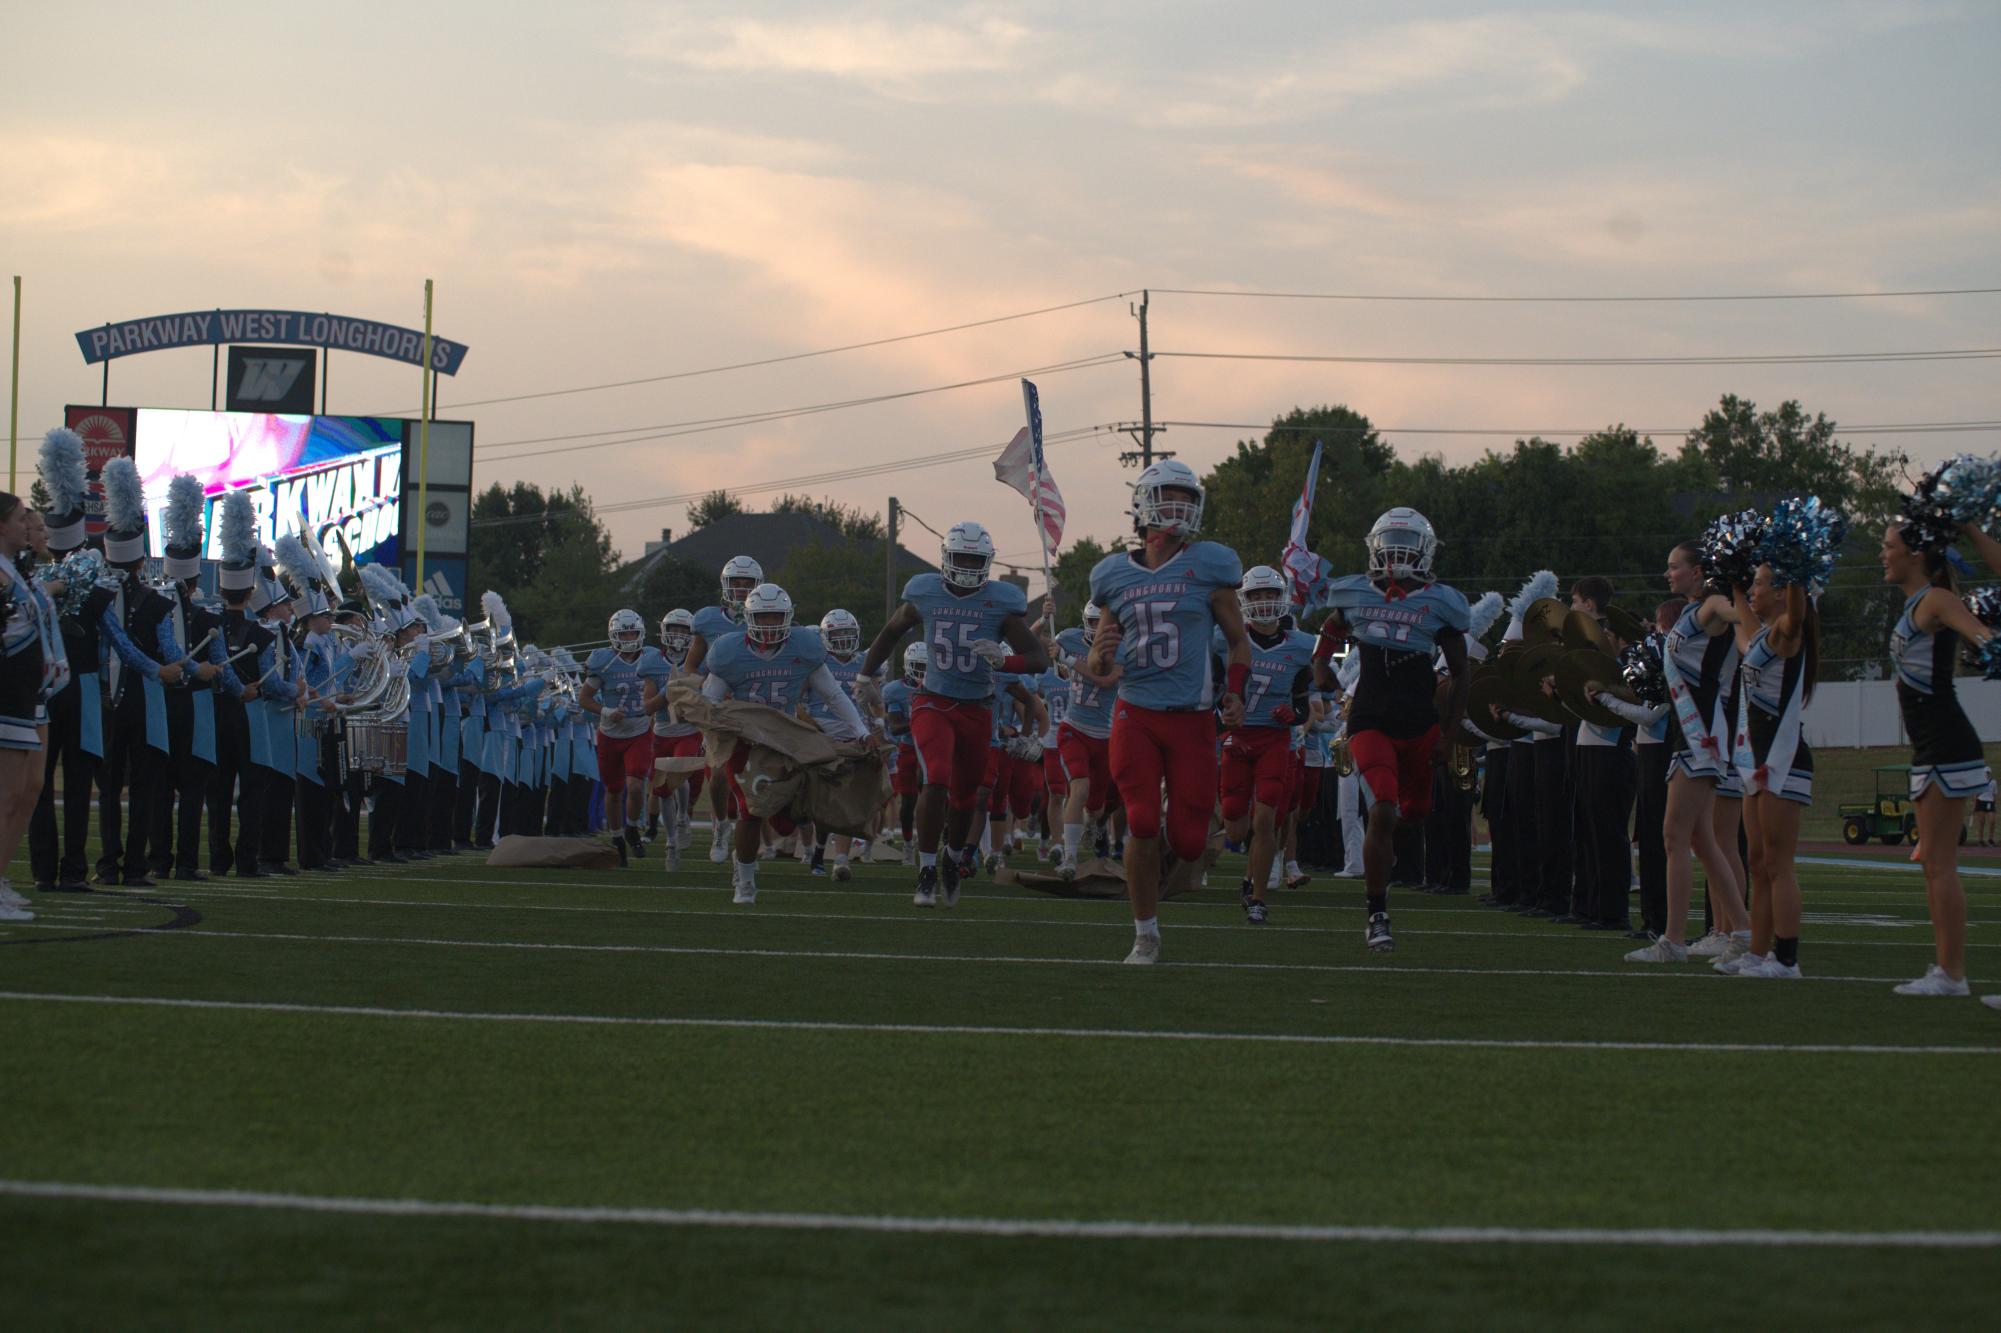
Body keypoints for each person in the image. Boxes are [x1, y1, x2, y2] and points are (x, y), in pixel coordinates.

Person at [1088, 460, 1248, 963]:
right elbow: (1098, 657)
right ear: (1144, 504)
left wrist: (1237, 691)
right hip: (1136, 711)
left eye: (1186, 497)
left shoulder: (1210, 565)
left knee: (1187, 837)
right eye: (1169, 496)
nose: (1179, 507)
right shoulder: (1113, 573)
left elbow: (1240, 642)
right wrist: (1101, 653)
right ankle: (1145, 933)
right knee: (1139, 821)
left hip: (1194, 719)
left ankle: (1164, 856)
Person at [861, 520, 1046, 909]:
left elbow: (1038, 659)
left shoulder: (1001, 602)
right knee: (938, 778)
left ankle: (952, 856)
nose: (965, 565)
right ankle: (926, 867)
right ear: (946, 557)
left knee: (964, 798)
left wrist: (1005, 660)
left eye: (973, 559)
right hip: (932, 700)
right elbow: (892, 631)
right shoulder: (924, 592)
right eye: (960, 557)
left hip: (978, 709)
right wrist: (865, 674)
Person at [1311, 508, 1471, 953]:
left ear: (1425, 551)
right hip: (1370, 718)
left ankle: (1383, 854)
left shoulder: (1442, 601)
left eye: (1407, 542)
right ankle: (1377, 912)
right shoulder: (1355, 591)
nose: (1398, 551)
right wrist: (1320, 662)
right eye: (1391, 541)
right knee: (1381, 807)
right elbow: (1332, 626)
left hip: (1419, 722)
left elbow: (1461, 672)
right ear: (1376, 547)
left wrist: (1450, 733)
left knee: (1413, 813)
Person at [1880, 513, 1993, 996]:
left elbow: (1983, 637)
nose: (1883, 554)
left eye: (1889, 546)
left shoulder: (1936, 600)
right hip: (1929, 747)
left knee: (1941, 863)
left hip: (1948, 744)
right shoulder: (1913, 607)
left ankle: (1952, 975)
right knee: (1931, 864)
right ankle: (1946, 971)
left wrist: (1990, 645)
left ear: (1917, 554)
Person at [700, 583, 869, 904]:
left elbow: (833, 695)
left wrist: (860, 729)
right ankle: (746, 883)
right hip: (745, 741)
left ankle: (743, 859)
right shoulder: (728, 651)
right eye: (763, 617)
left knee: (788, 818)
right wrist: (708, 730)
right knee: (750, 810)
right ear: (750, 618)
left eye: (775, 616)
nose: (769, 625)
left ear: (788, 617)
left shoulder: (804, 646)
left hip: (785, 741)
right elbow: (708, 700)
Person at [1626, 542, 1751, 964]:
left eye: (1674, 566)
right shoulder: (1690, 611)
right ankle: (1742, 930)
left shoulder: (1715, 602)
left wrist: (1751, 600)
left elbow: (1743, 619)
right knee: (1701, 839)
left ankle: (1674, 941)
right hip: (1691, 732)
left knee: (1673, 836)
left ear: (1698, 571)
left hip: (1702, 734)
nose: (1669, 574)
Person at [1720, 561, 1818, 978]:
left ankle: (1787, 959)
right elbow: (1743, 633)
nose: (1753, 592)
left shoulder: (1785, 633)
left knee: (1778, 863)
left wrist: (1797, 570)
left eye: (1760, 585)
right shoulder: (1760, 636)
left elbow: (1796, 617)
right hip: (1755, 763)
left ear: (1782, 592)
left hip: (1783, 760)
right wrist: (1735, 581)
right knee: (1757, 861)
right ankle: (1757, 953)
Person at [1218, 565, 1315, 923]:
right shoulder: (1225, 638)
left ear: (1283, 598)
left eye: (1270, 594)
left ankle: (1257, 897)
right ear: (1244, 600)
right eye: (1256, 595)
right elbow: (1214, 688)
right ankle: (1249, 869)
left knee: (1266, 818)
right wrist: (1222, 709)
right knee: (1236, 828)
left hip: (1274, 740)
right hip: (1237, 738)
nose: (1263, 602)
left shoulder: (1302, 646)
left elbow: (1304, 698)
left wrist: (1294, 712)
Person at [0, 493, 63, 922]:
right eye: (22, 518)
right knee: (6, 797)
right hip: (6, 694)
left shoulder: (15, 572)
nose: (29, 525)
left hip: (27, 694)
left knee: (24, 793)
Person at [686, 555, 763, 862]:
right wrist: (703, 690)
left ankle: (750, 845)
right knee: (718, 777)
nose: (742, 589)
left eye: (748, 584)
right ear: (725, 586)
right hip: (719, 707)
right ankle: (721, 826)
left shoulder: (768, 616)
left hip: (755, 707)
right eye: (736, 583)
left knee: (755, 781)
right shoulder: (707, 619)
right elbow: (691, 665)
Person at [581, 609, 668, 865]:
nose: (629, 637)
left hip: (639, 730)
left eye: (633, 632)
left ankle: (631, 827)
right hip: (609, 733)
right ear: (614, 635)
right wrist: (605, 710)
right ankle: (617, 836)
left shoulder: (651, 656)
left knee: (636, 785)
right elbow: (584, 698)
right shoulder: (603, 661)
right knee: (614, 790)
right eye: (624, 633)